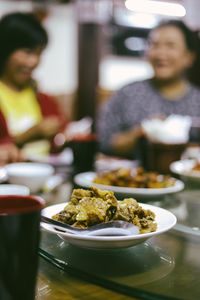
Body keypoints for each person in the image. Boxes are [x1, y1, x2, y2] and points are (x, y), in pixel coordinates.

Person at [97, 20, 200, 159]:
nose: (160, 53)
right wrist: (142, 131)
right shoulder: (127, 94)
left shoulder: (197, 100)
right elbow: (103, 142)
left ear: (188, 57)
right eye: (154, 45)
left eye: (170, 46)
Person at [0, 12, 66, 164]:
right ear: (5, 49)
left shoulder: (43, 99)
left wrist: (61, 137)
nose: (33, 62)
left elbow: (60, 144)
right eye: (27, 52)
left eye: (39, 53)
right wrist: (26, 137)